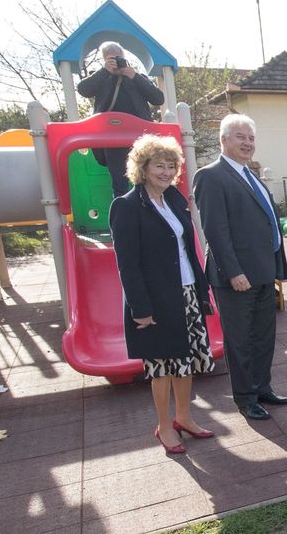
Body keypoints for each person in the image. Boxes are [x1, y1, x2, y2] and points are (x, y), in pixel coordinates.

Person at [110, 135, 215, 454]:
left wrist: (201, 289)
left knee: (185, 359)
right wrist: (140, 308)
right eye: (159, 165)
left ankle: (184, 417)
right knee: (162, 366)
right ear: (142, 168)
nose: (167, 172)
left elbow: (187, 248)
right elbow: (127, 263)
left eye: (172, 166)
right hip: (156, 298)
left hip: (186, 292)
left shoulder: (174, 200)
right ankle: (165, 426)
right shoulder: (126, 206)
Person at [193, 114, 287, 420]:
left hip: (263, 272)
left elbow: (268, 225)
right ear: (224, 139)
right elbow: (216, 230)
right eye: (240, 137)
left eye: (251, 138)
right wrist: (233, 271)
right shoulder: (211, 176)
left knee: (264, 336)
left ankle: (262, 388)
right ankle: (245, 397)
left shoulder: (253, 178)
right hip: (236, 277)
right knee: (240, 340)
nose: (248, 143)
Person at [77, 42, 166, 197]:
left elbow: (158, 98)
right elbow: (83, 89)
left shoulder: (137, 78)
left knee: (145, 179)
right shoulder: (102, 78)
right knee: (120, 183)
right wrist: (105, 71)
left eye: (119, 58)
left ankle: (146, 214)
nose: (117, 62)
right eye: (112, 59)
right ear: (104, 60)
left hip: (139, 137)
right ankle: (123, 216)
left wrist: (134, 76)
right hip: (112, 138)